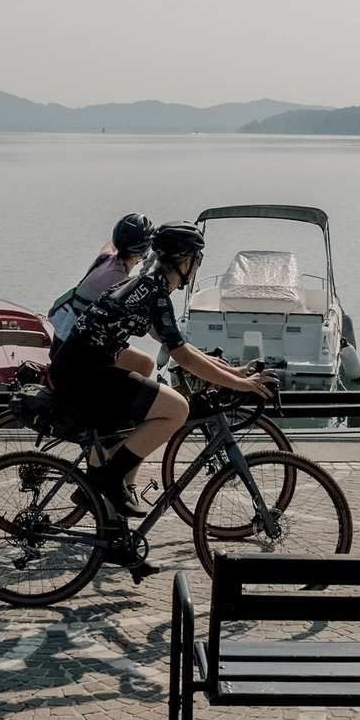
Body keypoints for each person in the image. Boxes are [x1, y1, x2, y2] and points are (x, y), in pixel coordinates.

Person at [50, 221, 277, 519]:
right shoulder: (153, 292)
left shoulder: (147, 286)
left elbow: (178, 344)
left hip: (82, 370)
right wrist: (240, 385)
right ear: (185, 260)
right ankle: (104, 480)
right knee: (175, 409)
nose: (198, 266)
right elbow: (183, 356)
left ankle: (113, 536)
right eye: (198, 259)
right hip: (84, 376)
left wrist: (234, 372)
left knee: (130, 432)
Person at [47, 213, 154, 357]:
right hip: (76, 347)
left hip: (60, 339)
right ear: (144, 252)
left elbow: (110, 245)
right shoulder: (121, 283)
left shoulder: (104, 258)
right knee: (145, 363)